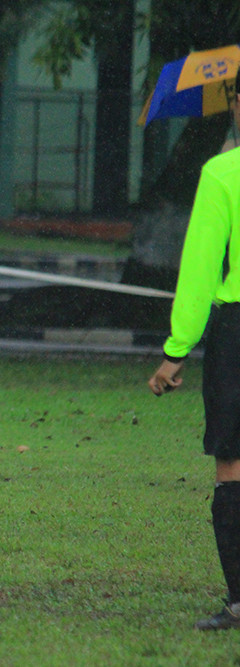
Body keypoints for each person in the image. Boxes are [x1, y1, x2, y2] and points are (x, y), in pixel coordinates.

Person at [148, 70, 240, 630]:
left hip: (237, 330)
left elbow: (201, 270)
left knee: (231, 463)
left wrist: (175, 351)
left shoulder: (224, 173)